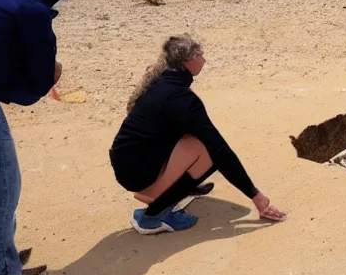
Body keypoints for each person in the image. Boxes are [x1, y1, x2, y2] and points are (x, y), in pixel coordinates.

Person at [0, 0, 88, 275]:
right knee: (3, 186)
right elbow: (38, 80)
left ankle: (5, 260)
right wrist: (52, 76)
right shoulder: (34, 9)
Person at [109, 34, 287, 235]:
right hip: (137, 173)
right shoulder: (181, 98)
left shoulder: (161, 83)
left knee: (194, 138)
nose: (204, 59)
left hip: (127, 163)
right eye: (200, 55)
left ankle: (172, 189)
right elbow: (220, 149)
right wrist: (257, 197)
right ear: (188, 61)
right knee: (210, 154)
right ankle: (153, 216)